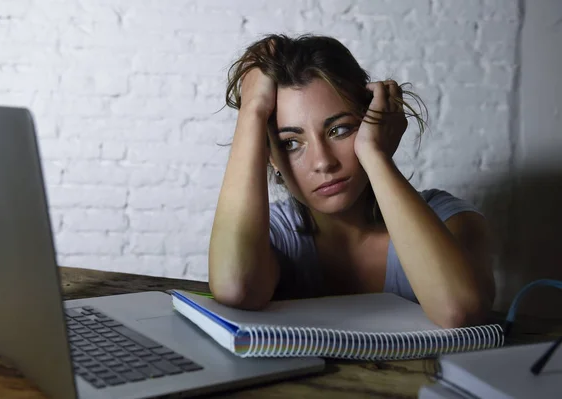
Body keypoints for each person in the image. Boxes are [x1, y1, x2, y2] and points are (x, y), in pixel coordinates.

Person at [208, 34, 495, 329]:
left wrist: (374, 153)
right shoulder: (273, 236)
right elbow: (234, 288)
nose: (323, 162)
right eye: (291, 143)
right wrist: (252, 112)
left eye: (340, 130)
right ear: (270, 157)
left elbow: (460, 311)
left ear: (372, 121)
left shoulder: (450, 219)